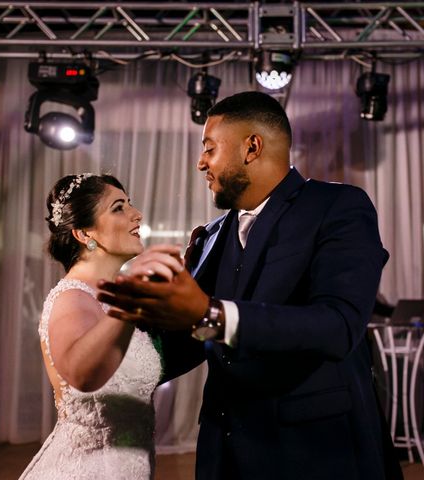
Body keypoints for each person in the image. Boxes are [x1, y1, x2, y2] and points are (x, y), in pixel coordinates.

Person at [97, 92, 401, 479]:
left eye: (209, 149)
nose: (200, 162)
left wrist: (210, 312)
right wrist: (126, 344)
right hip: (225, 454)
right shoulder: (210, 236)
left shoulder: (337, 206)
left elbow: (339, 325)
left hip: (314, 451)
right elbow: (196, 337)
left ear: (252, 147)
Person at [20, 173, 183, 480]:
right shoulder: (72, 298)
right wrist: (130, 301)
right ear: (84, 233)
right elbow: (82, 373)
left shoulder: (110, 299)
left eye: (130, 203)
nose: (137, 214)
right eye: (119, 207)